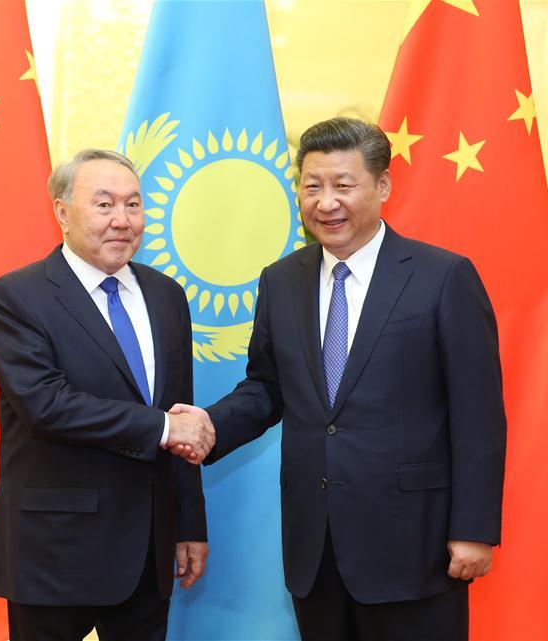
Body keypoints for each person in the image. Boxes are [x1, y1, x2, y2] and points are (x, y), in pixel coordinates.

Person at [172, 118, 506, 640]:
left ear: (383, 187)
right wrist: (210, 425)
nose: (326, 202)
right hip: (316, 546)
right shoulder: (281, 280)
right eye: (312, 187)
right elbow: (267, 388)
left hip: (413, 543)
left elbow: (479, 413)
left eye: (343, 186)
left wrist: (474, 529)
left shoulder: (443, 277)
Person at [0, 149, 214, 641]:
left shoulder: (167, 295)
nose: (122, 220)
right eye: (104, 205)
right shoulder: (17, 297)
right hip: (55, 549)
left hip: (149, 549)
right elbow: (46, 406)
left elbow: (181, 412)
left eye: (133, 204)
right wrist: (165, 428)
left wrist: (188, 523)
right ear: (62, 213)